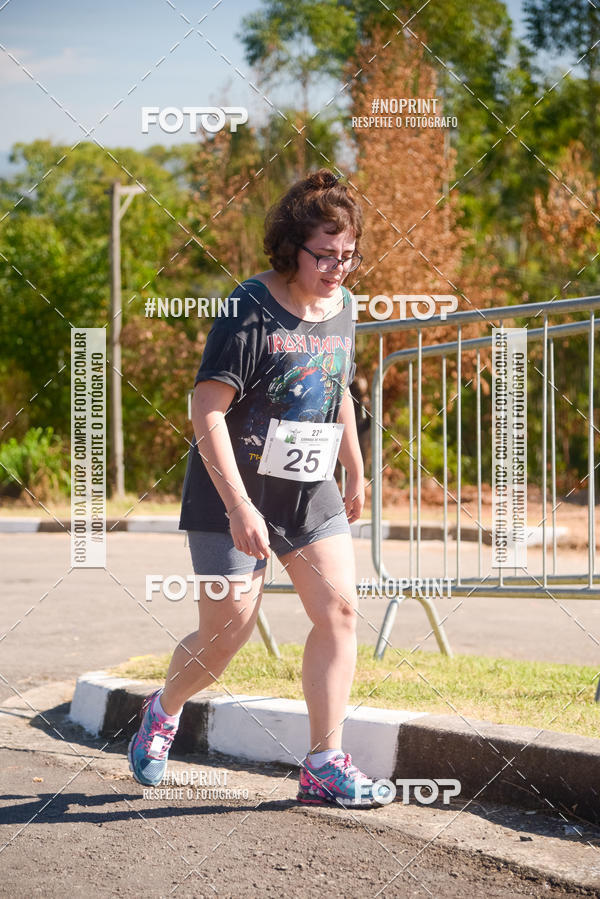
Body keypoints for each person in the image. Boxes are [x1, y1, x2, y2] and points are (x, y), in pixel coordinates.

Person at [128, 168, 380, 808]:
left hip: (307, 489)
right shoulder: (250, 306)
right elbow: (205, 408)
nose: (336, 269)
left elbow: (339, 388)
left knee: (340, 613)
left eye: (347, 257)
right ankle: (164, 708)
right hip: (230, 493)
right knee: (227, 633)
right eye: (323, 255)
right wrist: (240, 506)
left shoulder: (344, 306)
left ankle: (325, 763)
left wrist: (355, 466)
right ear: (290, 246)